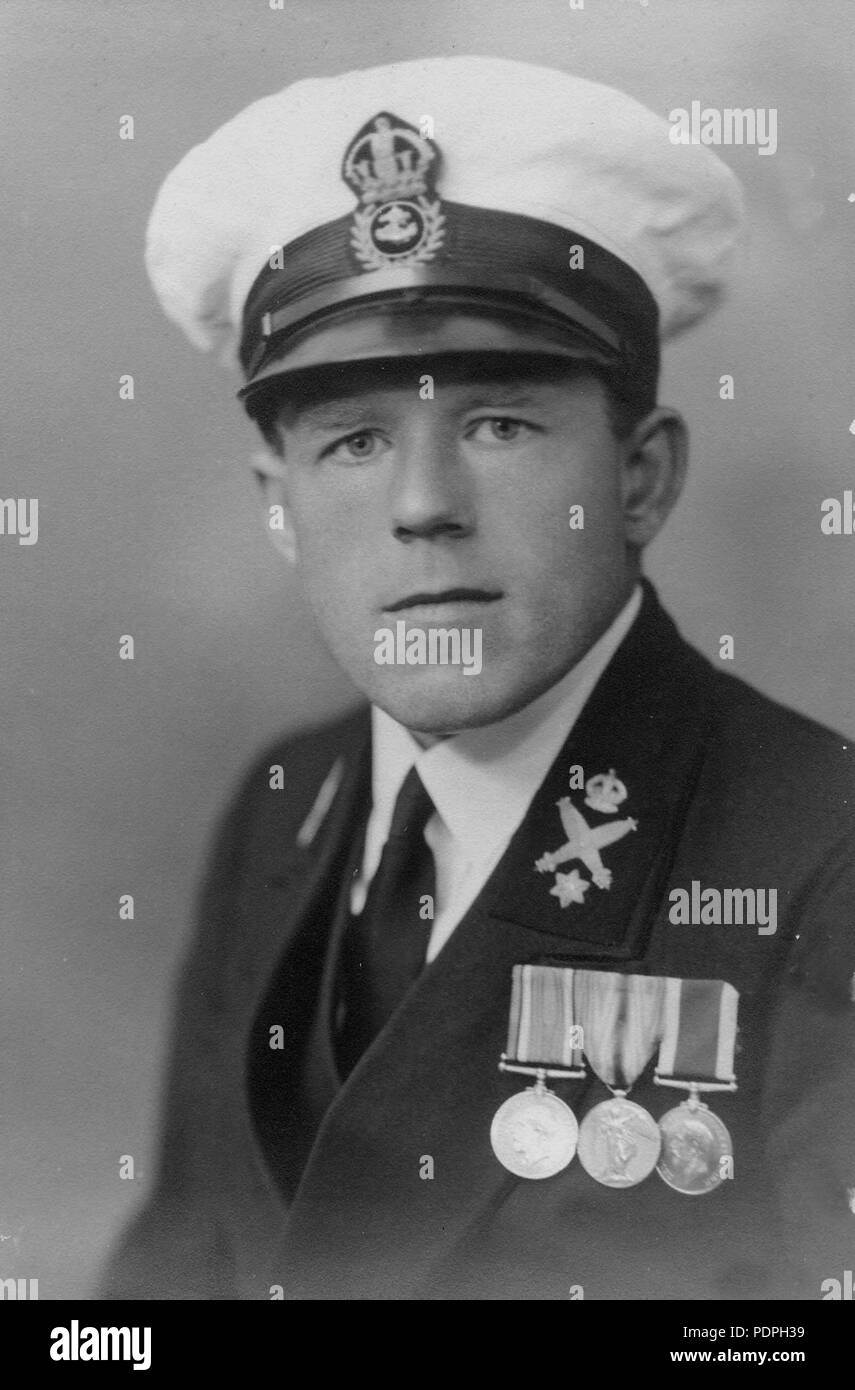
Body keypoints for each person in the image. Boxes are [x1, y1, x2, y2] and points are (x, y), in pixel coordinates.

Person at [98, 55, 854, 1301]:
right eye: (351, 441)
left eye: (500, 425)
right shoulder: (287, 801)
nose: (423, 508)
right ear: (279, 512)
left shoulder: (818, 852)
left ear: (641, 478)